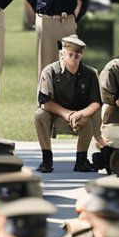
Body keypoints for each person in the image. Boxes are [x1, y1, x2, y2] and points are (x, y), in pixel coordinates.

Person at [34, 34, 101, 173]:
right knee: (39, 115)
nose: (75, 57)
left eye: (78, 54)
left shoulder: (90, 73)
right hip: (56, 113)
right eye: (70, 54)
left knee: (87, 118)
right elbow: (44, 101)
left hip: (79, 115)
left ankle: (81, 161)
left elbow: (96, 102)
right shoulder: (50, 71)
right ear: (62, 54)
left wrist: (81, 114)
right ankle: (47, 160)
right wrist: (68, 114)